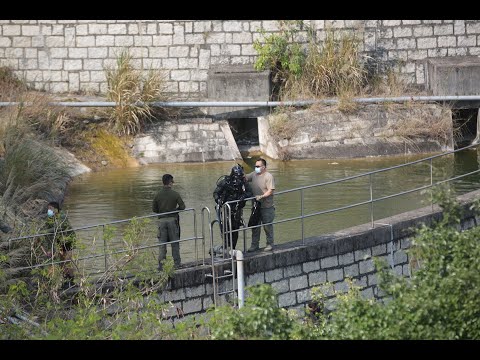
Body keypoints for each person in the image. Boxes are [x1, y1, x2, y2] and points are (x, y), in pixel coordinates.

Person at [213, 164, 253, 252]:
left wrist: (244, 196)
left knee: (235, 228)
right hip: (226, 208)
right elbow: (216, 193)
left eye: (240, 176)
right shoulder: (225, 182)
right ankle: (226, 247)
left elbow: (250, 192)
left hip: (237, 208)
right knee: (226, 228)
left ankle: (233, 248)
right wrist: (218, 200)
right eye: (236, 176)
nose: (238, 179)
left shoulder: (243, 182)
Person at [152, 174, 185, 270]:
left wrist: (162, 212)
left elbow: (154, 209)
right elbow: (182, 207)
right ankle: (177, 264)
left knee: (162, 245)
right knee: (175, 244)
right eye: (172, 182)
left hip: (161, 222)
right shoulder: (175, 194)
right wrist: (175, 211)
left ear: (163, 182)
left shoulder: (157, 195)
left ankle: (161, 266)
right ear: (170, 183)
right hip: (173, 221)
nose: (173, 183)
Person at [246, 158, 276, 252]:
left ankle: (270, 244)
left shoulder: (268, 176)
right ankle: (254, 245)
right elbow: (245, 177)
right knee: (255, 227)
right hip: (255, 207)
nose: (256, 168)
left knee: (267, 226)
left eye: (258, 166)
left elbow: (271, 190)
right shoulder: (254, 174)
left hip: (266, 207)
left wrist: (262, 196)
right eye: (255, 166)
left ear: (264, 167)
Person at [43, 201, 76, 285]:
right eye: (48, 209)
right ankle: (65, 280)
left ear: (56, 209)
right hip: (59, 241)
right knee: (61, 261)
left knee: (67, 261)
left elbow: (58, 227)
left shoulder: (62, 216)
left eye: (50, 209)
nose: (48, 211)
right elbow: (48, 235)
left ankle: (71, 280)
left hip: (69, 240)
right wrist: (49, 249)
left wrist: (45, 231)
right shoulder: (50, 219)